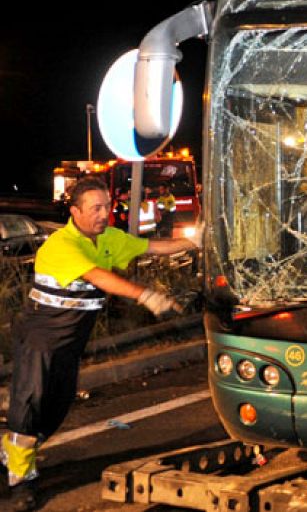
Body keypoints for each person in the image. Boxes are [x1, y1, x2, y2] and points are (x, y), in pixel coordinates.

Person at [0, 177, 200, 511]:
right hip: (41, 335)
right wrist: (144, 295)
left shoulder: (109, 238)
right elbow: (97, 276)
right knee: (30, 403)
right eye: (95, 208)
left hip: (71, 342)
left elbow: (150, 247)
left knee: (57, 407)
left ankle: (14, 450)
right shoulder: (61, 245)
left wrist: (195, 242)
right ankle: (21, 480)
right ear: (75, 212)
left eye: (106, 205)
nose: (103, 213)